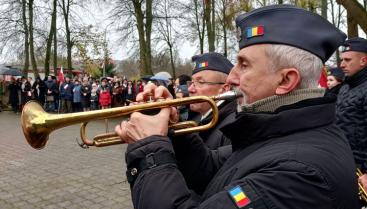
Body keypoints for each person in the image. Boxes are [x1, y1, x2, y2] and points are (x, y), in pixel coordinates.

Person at [115, 5, 360, 209]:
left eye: (243, 65)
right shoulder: (279, 130)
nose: (230, 77)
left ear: (286, 81)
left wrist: (150, 151)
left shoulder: (300, 174)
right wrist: (172, 127)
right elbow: (209, 169)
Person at [335, 37, 367, 192]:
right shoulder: (345, 88)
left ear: (363, 61)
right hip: (346, 163)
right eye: (342, 60)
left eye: (347, 60)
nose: (341, 65)